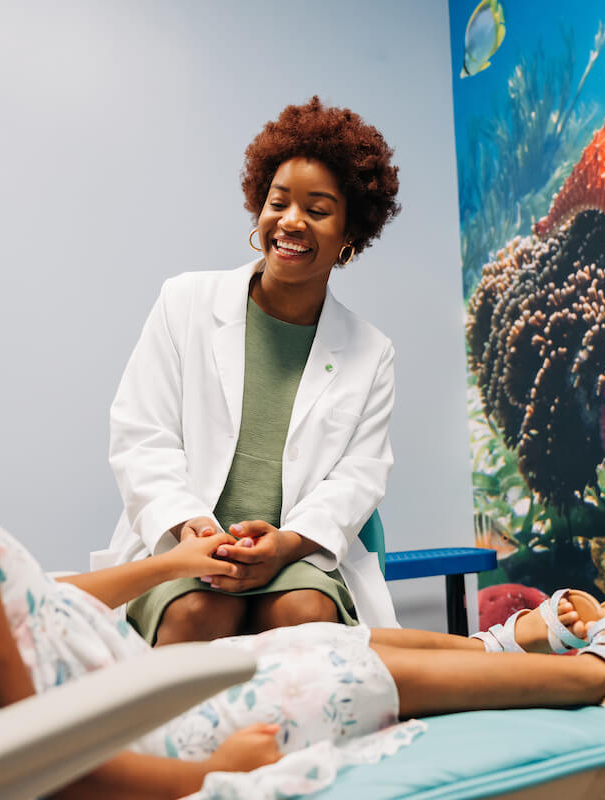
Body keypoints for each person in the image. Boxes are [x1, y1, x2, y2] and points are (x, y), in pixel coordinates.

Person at [0, 266, 605, 799]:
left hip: (140, 694)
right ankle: (600, 674)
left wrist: (170, 561)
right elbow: (41, 751)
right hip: (149, 729)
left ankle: (510, 641)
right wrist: (209, 779)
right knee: (346, 659)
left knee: (330, 637)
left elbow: (37, 607)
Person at [98, 97, 405, 645]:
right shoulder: (184, 302)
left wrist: (286, 545)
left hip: (295, 554)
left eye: (317, 209)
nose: (290, 221)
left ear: (349, 233)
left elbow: (358, 478)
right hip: (184, 540)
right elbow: (142, 437)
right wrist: (192, 528)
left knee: (305, 619)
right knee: (198, 617)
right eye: (278, 202)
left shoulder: (371, 352)